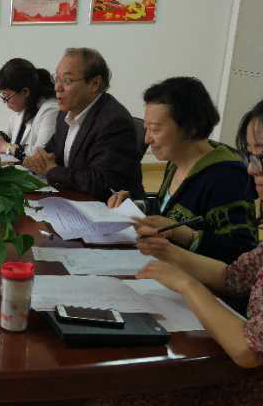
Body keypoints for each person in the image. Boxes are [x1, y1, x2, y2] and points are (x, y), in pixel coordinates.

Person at [83, 102, 263, 406]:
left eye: (262, 158)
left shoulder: (220, 176)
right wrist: (169, 252)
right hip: (239, 368)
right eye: (251, 155)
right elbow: (234, 275)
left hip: (249, 395)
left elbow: (249, 350)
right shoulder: (179, 170)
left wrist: (184, 282)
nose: (252, 170)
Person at [108, 77, 257, 265]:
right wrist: (135, 207)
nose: (147, 139)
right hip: (166, 264)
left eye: (155, 129)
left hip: (196, 278)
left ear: (190, 128)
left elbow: (240, 254)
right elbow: (167, 211)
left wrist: (182, 233)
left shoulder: (226, 178)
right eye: (146, 129)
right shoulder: (176, 160)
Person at [23, 47, 144, 201]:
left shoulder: (113, 122)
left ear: (94, 83)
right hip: (73, 198)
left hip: (106, 206)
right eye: (56, 79)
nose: (57, 88)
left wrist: (52, 170)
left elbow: (101, 182)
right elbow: (52, 150)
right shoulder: (65, 113)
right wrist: (37, 160)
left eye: (67, 80)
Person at [0, 58, 59, 162]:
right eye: (3, 95)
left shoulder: (51, 111)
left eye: (7, 96)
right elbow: (8, 136)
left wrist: (4, 147)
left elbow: (41, 155)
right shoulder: (24, 107)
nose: (4, 101)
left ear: (25, 92)